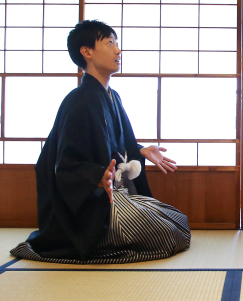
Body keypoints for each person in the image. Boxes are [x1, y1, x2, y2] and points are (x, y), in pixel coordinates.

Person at [11, 20, 190, 264]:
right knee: (167, 236)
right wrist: (96, 176)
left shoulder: (113, 97)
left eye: (117, 43)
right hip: (92, 210)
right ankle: (97, 241)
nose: (118, 50)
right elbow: (65, 165)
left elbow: (116, 146)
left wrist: (140, 151)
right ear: (87, 52)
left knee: (178, 221)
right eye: (110, 43)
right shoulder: (79, 101)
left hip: (116, 196)